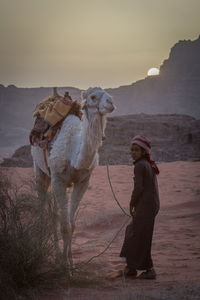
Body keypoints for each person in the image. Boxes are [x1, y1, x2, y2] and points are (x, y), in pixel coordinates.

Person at [120, 135, 160, 279]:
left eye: (136, 150)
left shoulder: (139, 165)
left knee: (137, 235)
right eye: (132, 150)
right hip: (151, 205)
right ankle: (131, 267)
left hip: (146, 206)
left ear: (144, 152)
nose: (133, 152)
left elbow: (138, 189)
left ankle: (149, 270)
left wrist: (132, 203)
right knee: (136, 233)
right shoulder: (147, 164)